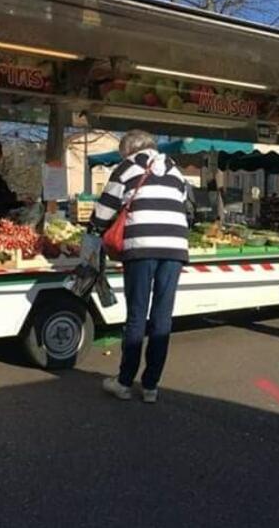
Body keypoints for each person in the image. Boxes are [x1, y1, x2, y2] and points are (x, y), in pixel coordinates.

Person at [91, 130, 190, 403]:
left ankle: (124, 382)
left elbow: (104, 210)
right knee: (162, 316)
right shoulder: (175, 171)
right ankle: (151, 386)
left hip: (141, 246)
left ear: (128, 150)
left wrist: (91, 233)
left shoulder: (127, 167)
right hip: (175, 248)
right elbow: (185, 206)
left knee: (137, 315)